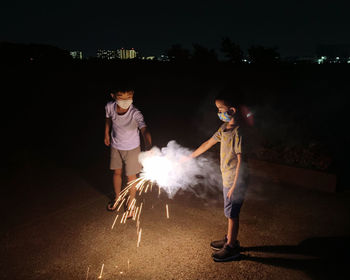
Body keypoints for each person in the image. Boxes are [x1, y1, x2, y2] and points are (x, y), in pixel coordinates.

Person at [190, 92, 248, 262]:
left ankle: (231, 247)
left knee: (232, 215)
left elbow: (241, 163)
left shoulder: (238, 133)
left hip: (235, 181)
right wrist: (189, 156)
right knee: (229, 212)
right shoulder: (224, 129)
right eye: (217, 109)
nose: (218, 112)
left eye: (221, 109)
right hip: (228, 180)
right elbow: (208, 143)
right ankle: (229, 238)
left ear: (232, 110)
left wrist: (236, 185)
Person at [104, 85, 152, 217]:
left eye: (129, 97)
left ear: (133, 95)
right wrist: (106, 133)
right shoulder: (109, 107)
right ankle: (117, 198)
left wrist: (148, 146)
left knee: (131, 177)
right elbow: (108, 118)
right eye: (121, 97)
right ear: (113, 96)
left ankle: (131, 203)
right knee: (117, 172)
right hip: (116, 146)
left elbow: (144, 129)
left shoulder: (135, 113)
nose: (125, 100)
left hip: (132, 148)